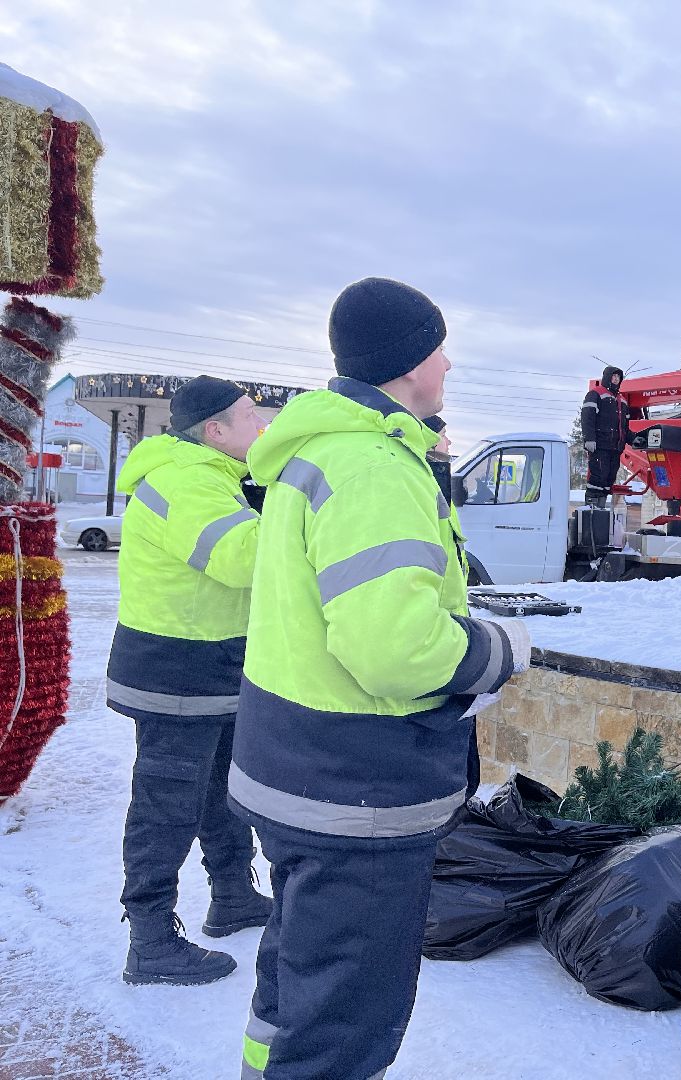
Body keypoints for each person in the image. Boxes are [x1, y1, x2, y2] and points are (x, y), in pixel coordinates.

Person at [230, 277, 530, 1078]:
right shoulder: (373, 466)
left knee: (296, 979)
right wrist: (500, 649)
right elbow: (393, 651)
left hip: (295, 769)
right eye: (441, 347)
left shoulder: (319, 452)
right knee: (343, 1026)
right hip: (351, 794)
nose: (450, 362)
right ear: (408, 364)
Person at [107, 375, 271, 986]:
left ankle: (233, 895)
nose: (261, 427)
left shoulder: (218, 477)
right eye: (250, 416)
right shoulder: (185, 479)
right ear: (214, 431)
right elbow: (239, 560)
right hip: (174, 673)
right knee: (166, 806)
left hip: (213, 669)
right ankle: (150, 940)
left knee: (221, 793)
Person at [580, 365, 629, 507]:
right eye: (613, 376)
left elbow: (625, 425)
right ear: (607, 377)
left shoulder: (622, 400)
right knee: (597, 479)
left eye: (618, 377)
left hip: (615, 448)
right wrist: (589, 438)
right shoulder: (596, 394)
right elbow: (587, 417)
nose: (615, 379)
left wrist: (633, 439)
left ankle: (600, 511)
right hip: (600, 446)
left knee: (608, 480)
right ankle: (591, 512)